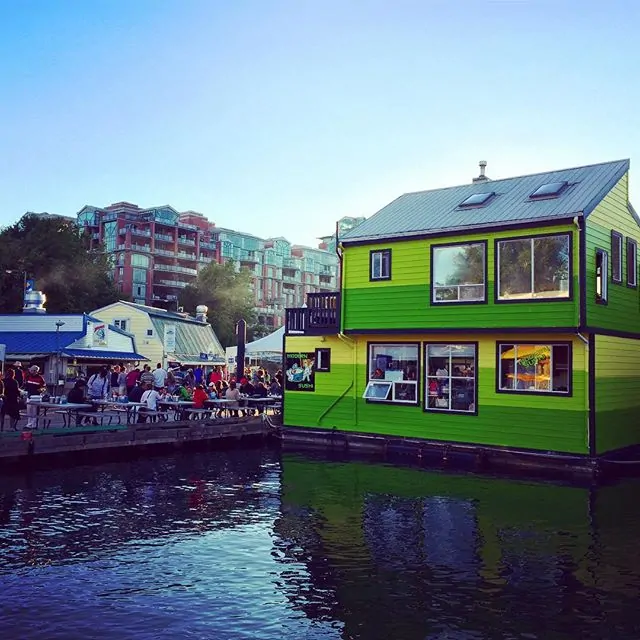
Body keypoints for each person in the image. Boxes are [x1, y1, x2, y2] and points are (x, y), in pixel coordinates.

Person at [24, 365, 46, 429]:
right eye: (30, 370)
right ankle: (29, 424)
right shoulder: (28, 377)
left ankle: (34, 424)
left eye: (32, 370)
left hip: (36, 397)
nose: (31, 372)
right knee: (29, 411)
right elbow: (25, 386)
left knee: (35, 411)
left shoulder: (40, 378)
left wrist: (41, 390)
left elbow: (44, 387)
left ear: (36, 371)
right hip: (29, 396)